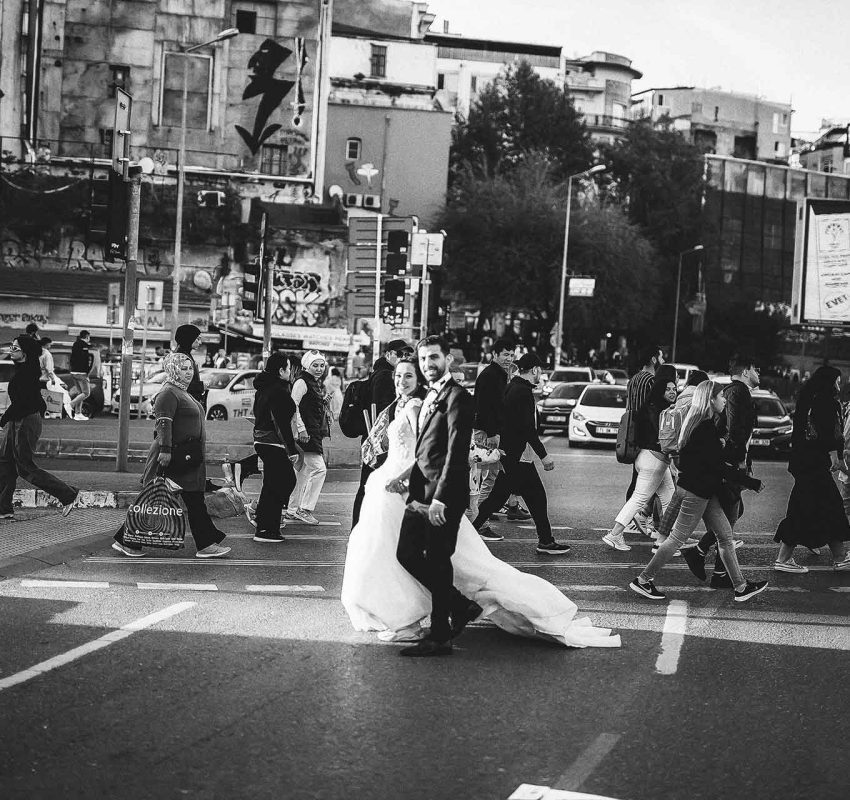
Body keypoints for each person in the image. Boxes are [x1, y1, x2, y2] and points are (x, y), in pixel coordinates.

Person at [341, 352, 620, 653]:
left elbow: (429, 452)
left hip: (414, 490)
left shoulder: (419, 406)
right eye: (399, 375)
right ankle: (423, 615)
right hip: (395, 487)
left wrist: (409, 481)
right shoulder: (406, 404)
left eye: (408, 375)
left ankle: (425, 618)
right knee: (392, 554)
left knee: (418, 556)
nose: (401, 380)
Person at [630, 381, 768, 602]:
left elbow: (699, 461)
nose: (724, 400)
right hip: (697, 493)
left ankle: (741, 587)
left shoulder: (697, 424)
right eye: (721, 396)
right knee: (676, 540)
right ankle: (643, 580)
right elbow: (717, 466)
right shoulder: (705, 428)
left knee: (725, 536)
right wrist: (749, 482)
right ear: (710, 400)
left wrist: (721, 446)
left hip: (700, 490)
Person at [112, 352, 230, 558]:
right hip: (173, 457)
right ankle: (205, 544)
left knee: (186, 501)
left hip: (185, 456)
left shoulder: (181, 391)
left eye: (190, 368)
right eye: (183, 369)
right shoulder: (169, 393)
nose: (188, 372)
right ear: (173, 369)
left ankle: (127, 541)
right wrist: (165, 452)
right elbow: (164, 423)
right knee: (159, 500)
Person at [471, 353, 570, 555]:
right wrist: (544, 456)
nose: (541, 373)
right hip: (518, 458)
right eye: (540, 369)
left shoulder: (515, 387)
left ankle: (546, 541)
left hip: (514, 456)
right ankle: (546, 542)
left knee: (506, 499)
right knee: (528, 499)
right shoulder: (522, 392)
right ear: (534, 370)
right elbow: (527, 429)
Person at [774, 366, 850, 572]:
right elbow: (831, 436)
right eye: (837, 381)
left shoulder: (807, 400)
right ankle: (838, 557)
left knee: (814, 507)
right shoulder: (826, 402)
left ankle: (839, 556)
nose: (839, 385)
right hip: (815, 465)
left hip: (804, 463)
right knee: (826, 506)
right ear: (828, 382)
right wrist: (838, 456)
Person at [695, 355, 760, 587]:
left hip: (731, 461)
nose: (759, 373)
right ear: (745, 372)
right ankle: (704, 557)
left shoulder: (735, 391)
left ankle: (707, 559)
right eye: (756, 369)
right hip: (732, 462)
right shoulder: (737, 392)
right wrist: (741, 460)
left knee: (732, 513)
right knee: (730, 515)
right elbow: (735, 429)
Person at [0, 337, 79, 521]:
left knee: (25, 467)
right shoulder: (23, 370)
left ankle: (67, 494)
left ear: (25, 352)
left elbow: (22, 403)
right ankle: (3, 508)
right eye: (11, 346)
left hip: (25, 421)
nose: (11, 350)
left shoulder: (28, 373)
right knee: (5, 463)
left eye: (15, 347)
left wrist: (2, 420)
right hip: (17, 420)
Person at [603, 365, 677, 551]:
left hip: (649, 460)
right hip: (654, 462)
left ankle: (667, 540)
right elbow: (661, 438)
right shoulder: (660, 411)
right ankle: (615, 534)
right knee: (639, 499)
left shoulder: (651, 406)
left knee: (669, 498)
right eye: (667, 389)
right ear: (660, 390)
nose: (672, 392)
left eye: (674, 388)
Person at [471, 339, 530, 537]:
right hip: (488, 434)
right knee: (489, 479)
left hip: (491, 432)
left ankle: (478, 520)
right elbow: (486, 407)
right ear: (494, 355)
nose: (509, 359)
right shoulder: (490, 375)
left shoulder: (499, 375)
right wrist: (492, 433)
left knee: (489, 478)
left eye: (512, 355)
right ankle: (479, 524)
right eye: (505, 354)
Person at [351, 339, 410, 527]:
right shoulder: (385, 376)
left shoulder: (382, 373)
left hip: (377, 437)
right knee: (370, 485)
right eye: (399, 354)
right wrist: (388, 436)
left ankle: (363, 526)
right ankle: (360, 527)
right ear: (388, 355)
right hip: (381, 440)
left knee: (371, 484)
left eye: (407, 355)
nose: (403, 358)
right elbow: (385, 410)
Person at [250, 353, 302, 543]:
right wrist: (292, 449)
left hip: (262, 440)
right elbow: (282, 423)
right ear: (281, 371)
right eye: (288, 368)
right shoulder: (278, 391)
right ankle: (266, 528)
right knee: (285, 481)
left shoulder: (264, 387)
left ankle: (263, 522)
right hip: (272, 441)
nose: (290, 372)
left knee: (273, 482)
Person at [624, 346, 666, 535]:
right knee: (641, 480)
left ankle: (633, 519)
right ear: (654, 359)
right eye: (661, 357)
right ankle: (635, 519)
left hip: (632, 433)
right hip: (647, 434)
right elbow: (652, 408)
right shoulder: (652, 380)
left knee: (638, 477)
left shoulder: (632, 380)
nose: (663, 360)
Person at [287, 350, 332, 526]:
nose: (319, 368)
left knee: (303, 472)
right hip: (306, 434)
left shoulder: (313, 382)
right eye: (315, 365)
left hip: (312, 433)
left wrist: (323, 402)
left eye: (322, 365)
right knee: (319, 469)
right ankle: (304, 509)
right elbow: (293, 406)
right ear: (307, 365)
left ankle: (292, 509)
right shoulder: (302, 381)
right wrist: (301, 429)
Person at [174, 324, 206, 405]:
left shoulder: (185, 354)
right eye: (198, 339)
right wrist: (201, 386)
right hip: (185, 404)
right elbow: (179, 384)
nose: (200, 342)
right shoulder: (181, 357)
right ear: (189, 338)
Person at [69, 330, 93, 420]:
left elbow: (72, 358)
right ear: (87, 337)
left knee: (80, 393)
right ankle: (71, 404)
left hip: (74, 372)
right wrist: (87, 372)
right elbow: (85, 360)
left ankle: (78, 413)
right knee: (86, 393)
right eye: (89, 337)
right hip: (81, 373)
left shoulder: (75, 344)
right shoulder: (84, 346)